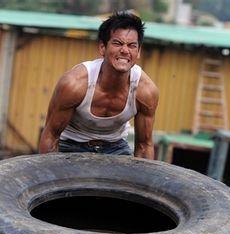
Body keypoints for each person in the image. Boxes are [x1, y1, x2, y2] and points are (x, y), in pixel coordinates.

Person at [39, 11, 159, 159]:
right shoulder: (75, 84)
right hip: (70, 144)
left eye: (132, 46)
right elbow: (51, 135)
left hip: (115, 147)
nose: (125, 51)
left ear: (138, 51)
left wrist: (141, 181)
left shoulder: (145, 91)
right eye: (117, 43)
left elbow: (144, 145)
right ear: (102, 48)